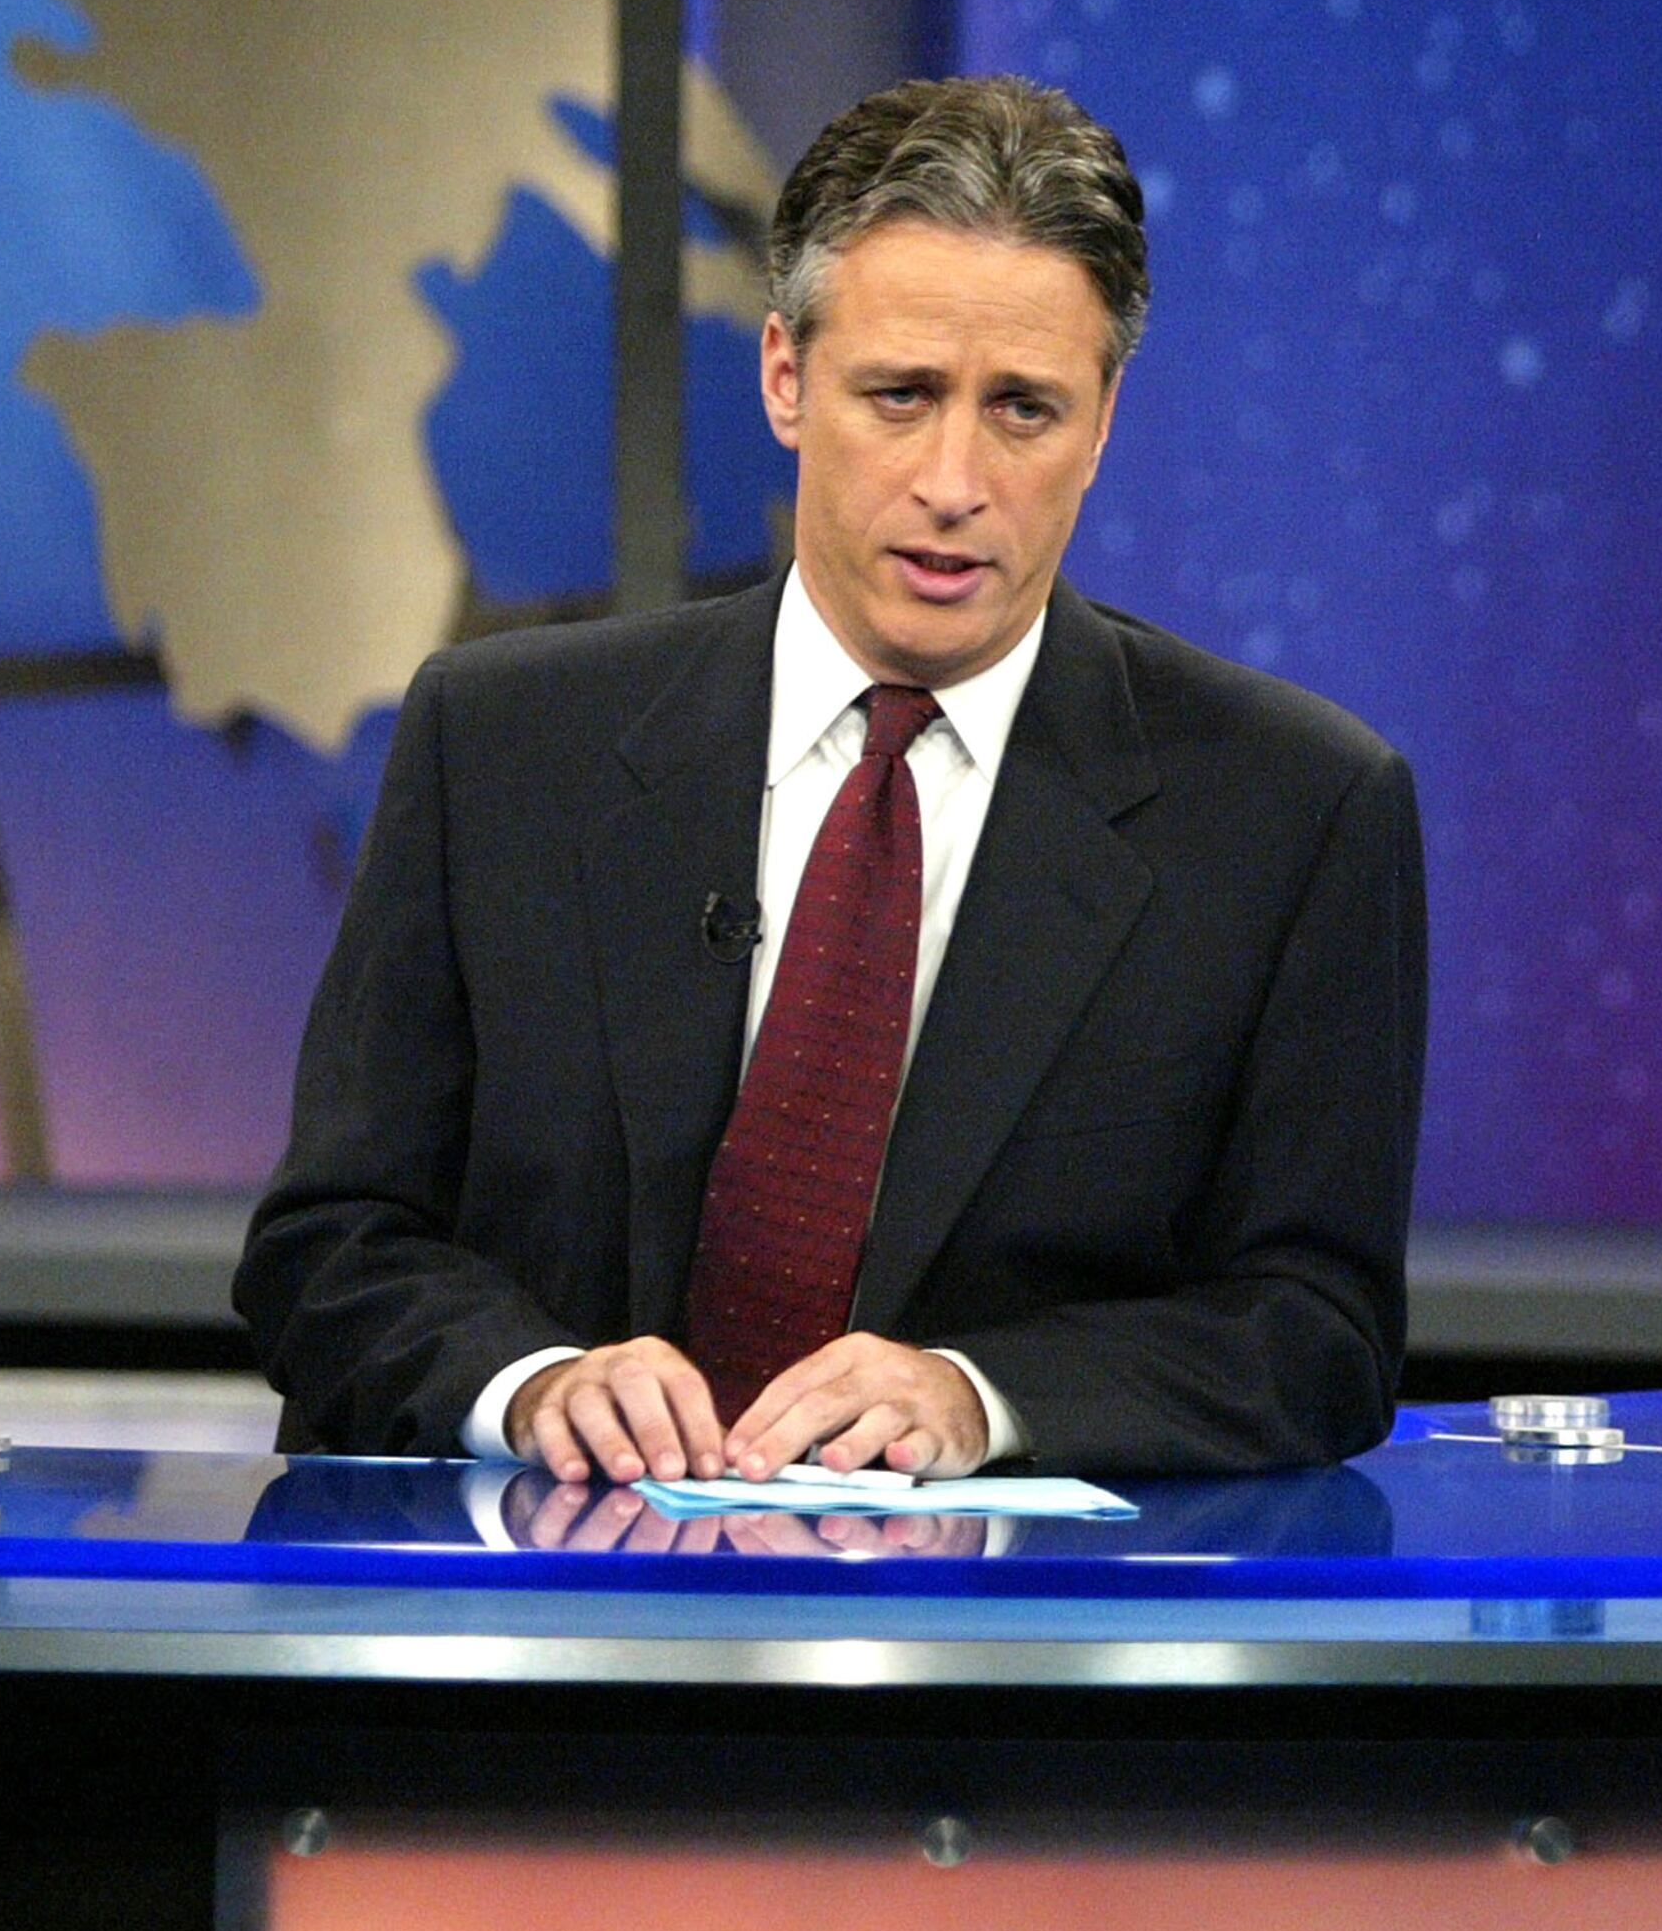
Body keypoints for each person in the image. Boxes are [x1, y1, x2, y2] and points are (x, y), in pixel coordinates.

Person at [236, 76, 1423, 1482]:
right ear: (786, 377)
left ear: (1103, 426)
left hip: (992, 1662)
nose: (953, 479)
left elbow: (1317, 1329)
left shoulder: (1294, 814)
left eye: (1025, 411)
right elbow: (330, 1251)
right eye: (903, 395)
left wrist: (981, 1399)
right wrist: (532, 1386)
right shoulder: (502, 747)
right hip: (548, 1644)